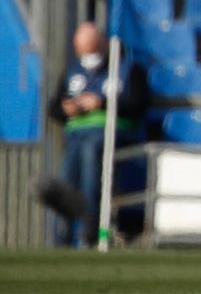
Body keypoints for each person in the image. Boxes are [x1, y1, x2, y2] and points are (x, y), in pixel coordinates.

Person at [47, 22, 148, 248]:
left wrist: (101, 103)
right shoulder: (74, 72)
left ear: (104, 44)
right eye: (84, 52)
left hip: (111, 132)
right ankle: (62, 234)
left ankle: (88, 229)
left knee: (91, 157)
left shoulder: (127, 69)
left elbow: (138, 104)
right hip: (75, 135)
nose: (89, 57)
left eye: (93, 50)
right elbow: (54, 107)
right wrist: (66, 110)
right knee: (67, 175)